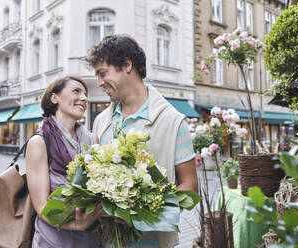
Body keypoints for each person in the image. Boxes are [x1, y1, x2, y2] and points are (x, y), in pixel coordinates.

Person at [87, 34, 198, 248]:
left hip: (154, 242)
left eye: (103, 73)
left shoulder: (172, 121)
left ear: (127, 65)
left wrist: (140, 210)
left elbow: (190, 187)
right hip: (106, 240)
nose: (99, 82)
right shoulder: (101, 121)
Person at [25, 76, 104, 248]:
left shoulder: (93, 140)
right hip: (53, 241)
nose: (84, 98)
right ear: (55, 98)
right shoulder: (39, 142)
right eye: (76, 91)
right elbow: (42, 206)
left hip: (92, 240)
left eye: (85, 94)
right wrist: (76, 224)